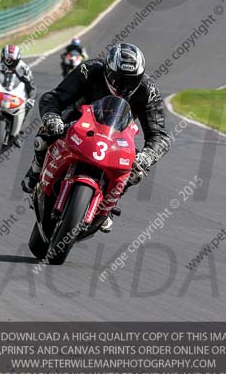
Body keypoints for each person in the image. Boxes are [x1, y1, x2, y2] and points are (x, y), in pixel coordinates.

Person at [21, 42, 170, 233]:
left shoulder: (147, 90)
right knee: (45, 135)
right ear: (108, 70)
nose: (124, 86)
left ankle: (106, 206)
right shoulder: (89, 70)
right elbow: (54, 97)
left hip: (116, 137)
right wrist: (53, 117)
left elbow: (159, 135)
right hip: (77, 123)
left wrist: (147, 156)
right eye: (118, 79)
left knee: (136, 172)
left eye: (131, 81)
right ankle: (36, 171)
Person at [0, 44, 36, 146]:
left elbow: (32, 87)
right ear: (2, 58)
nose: (10, 64)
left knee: (28, 105)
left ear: (18, 60)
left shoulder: (24, 69)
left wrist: (31, 99)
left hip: (14, 95)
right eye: (7, 60)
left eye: (13, 61)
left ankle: (17, 131)